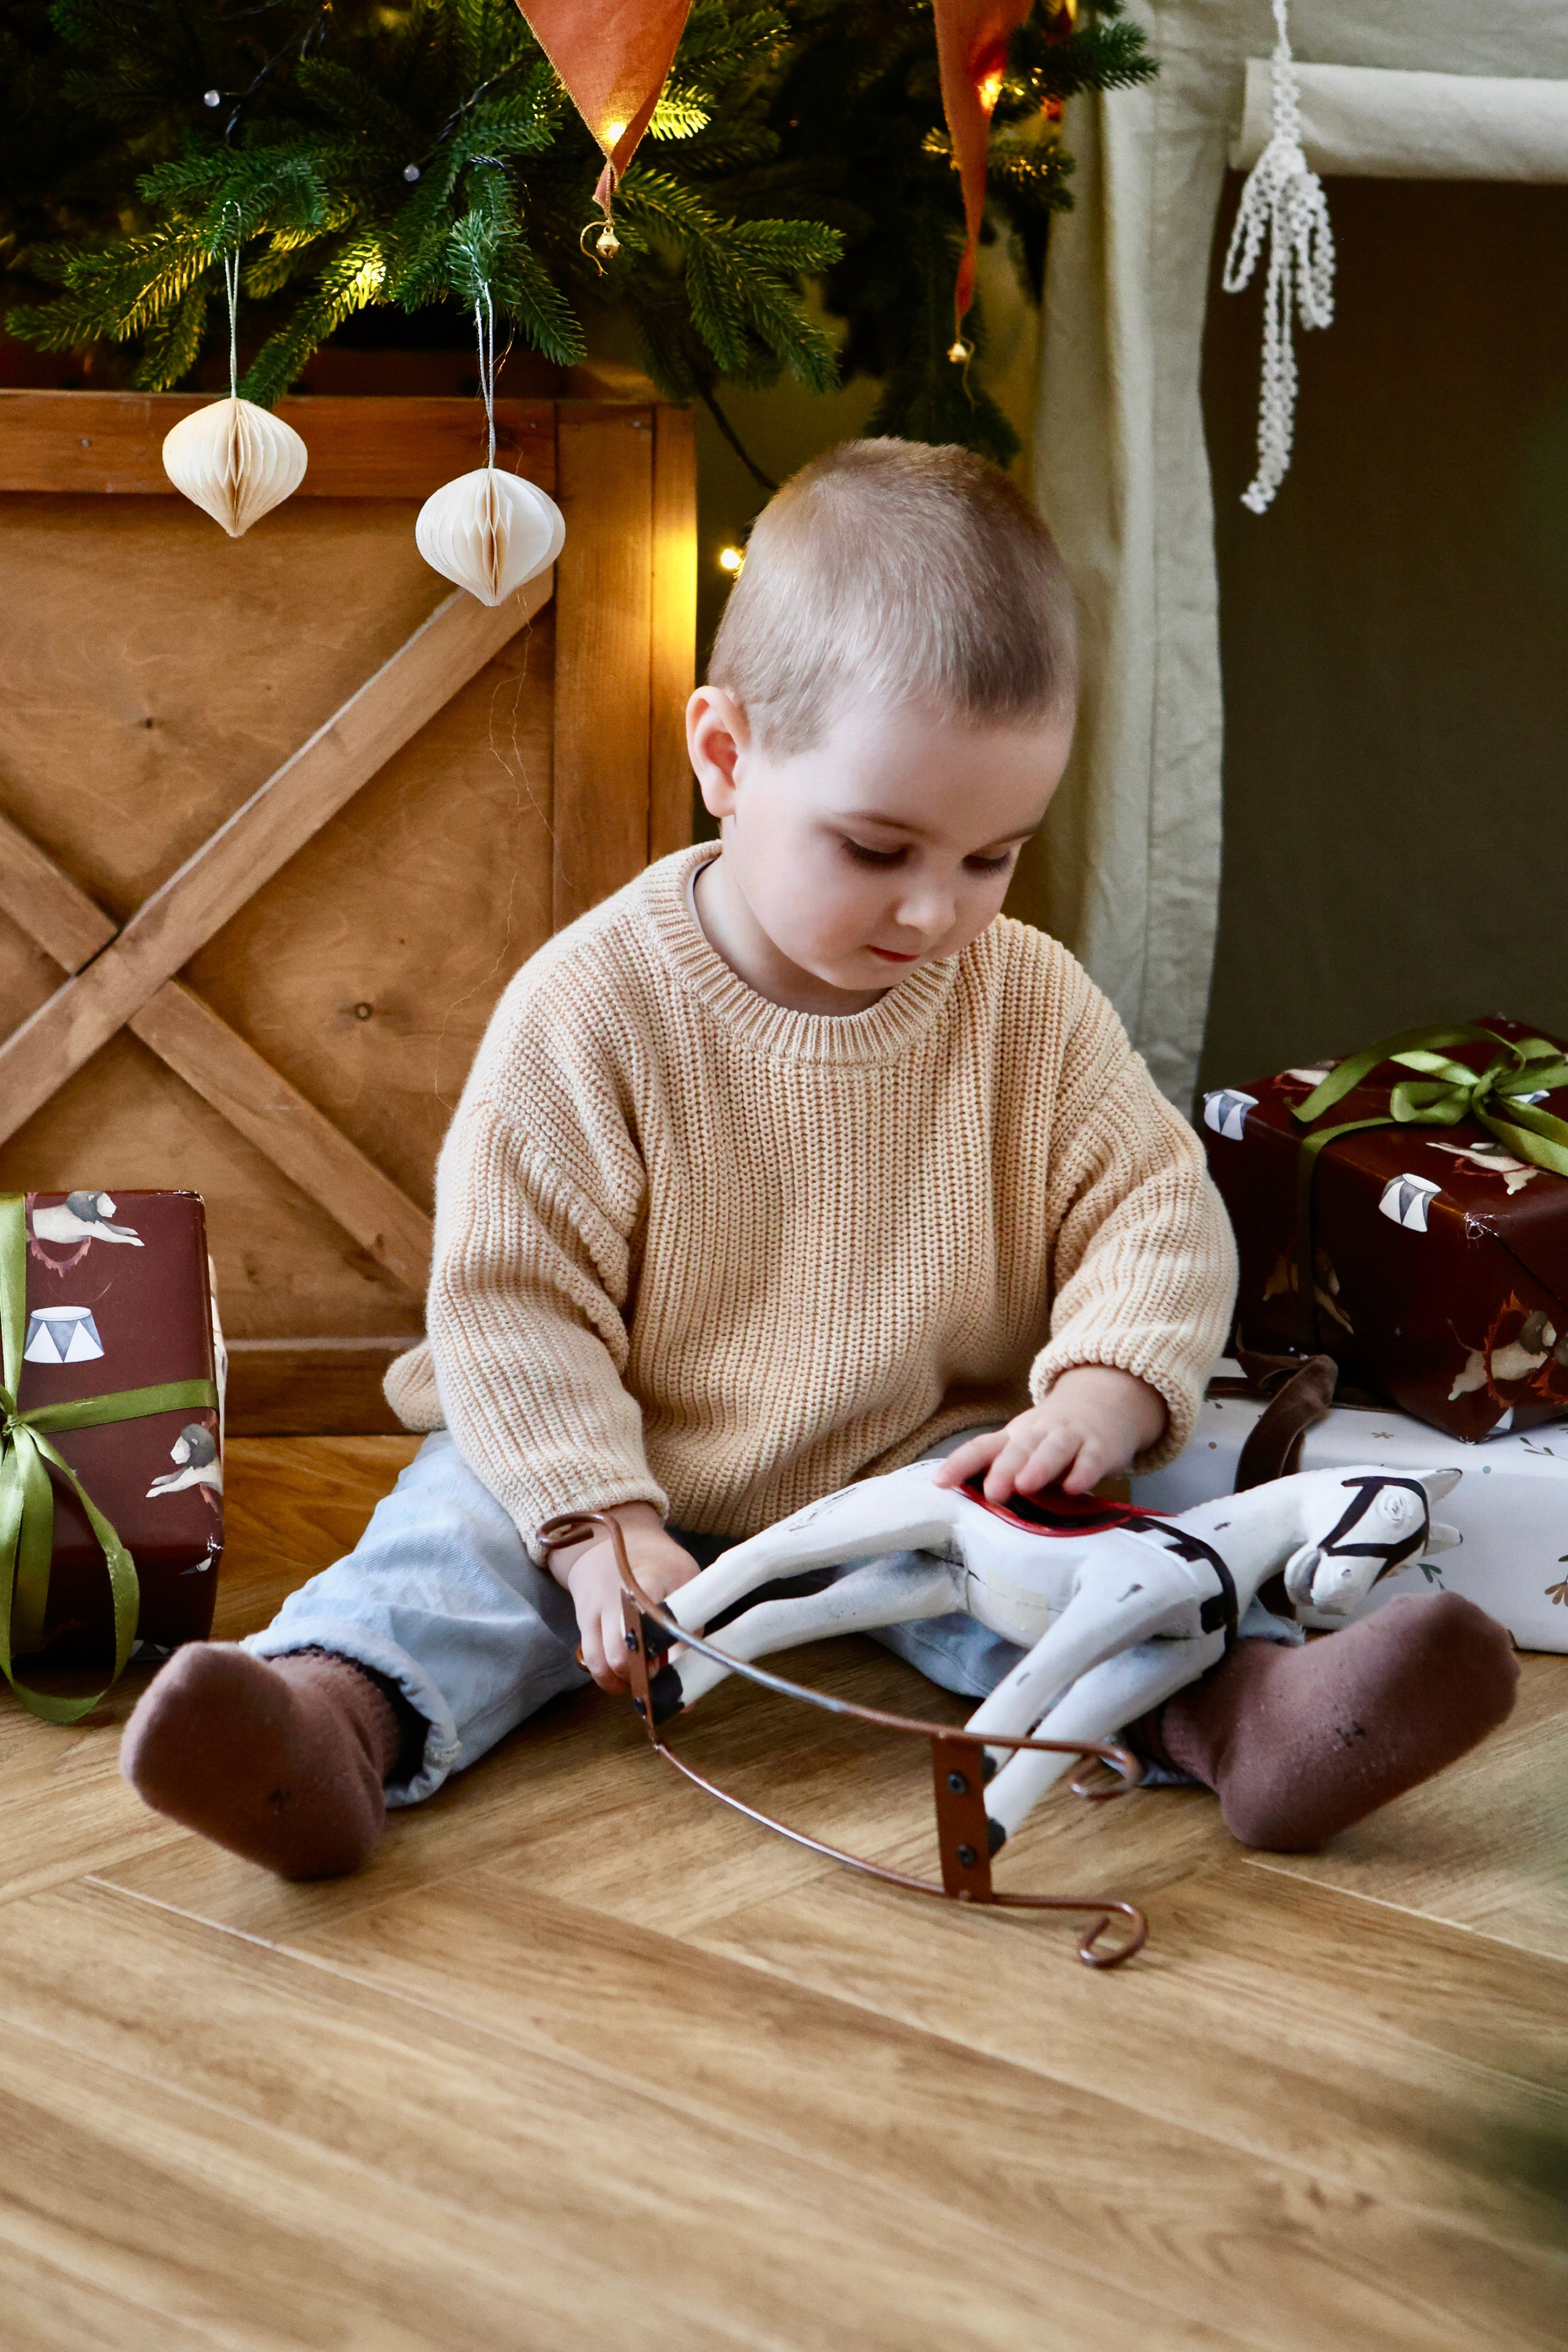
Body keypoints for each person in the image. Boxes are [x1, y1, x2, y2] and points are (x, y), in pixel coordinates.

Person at [119, 440, 1512, 1876]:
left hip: (916, 1464)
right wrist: (591, 1523)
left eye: (990, 860)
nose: (931, 912)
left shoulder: (1023, 1000)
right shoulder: (592, 1007)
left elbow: (1151, 1209)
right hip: (612, 1451)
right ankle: (328, 1728)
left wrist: (1104, 1387)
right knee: (451, 1552)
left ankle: (1251, 1720)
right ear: (724, 756)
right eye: (874, 848)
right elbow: (512, 1302)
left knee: (1095, 1570)